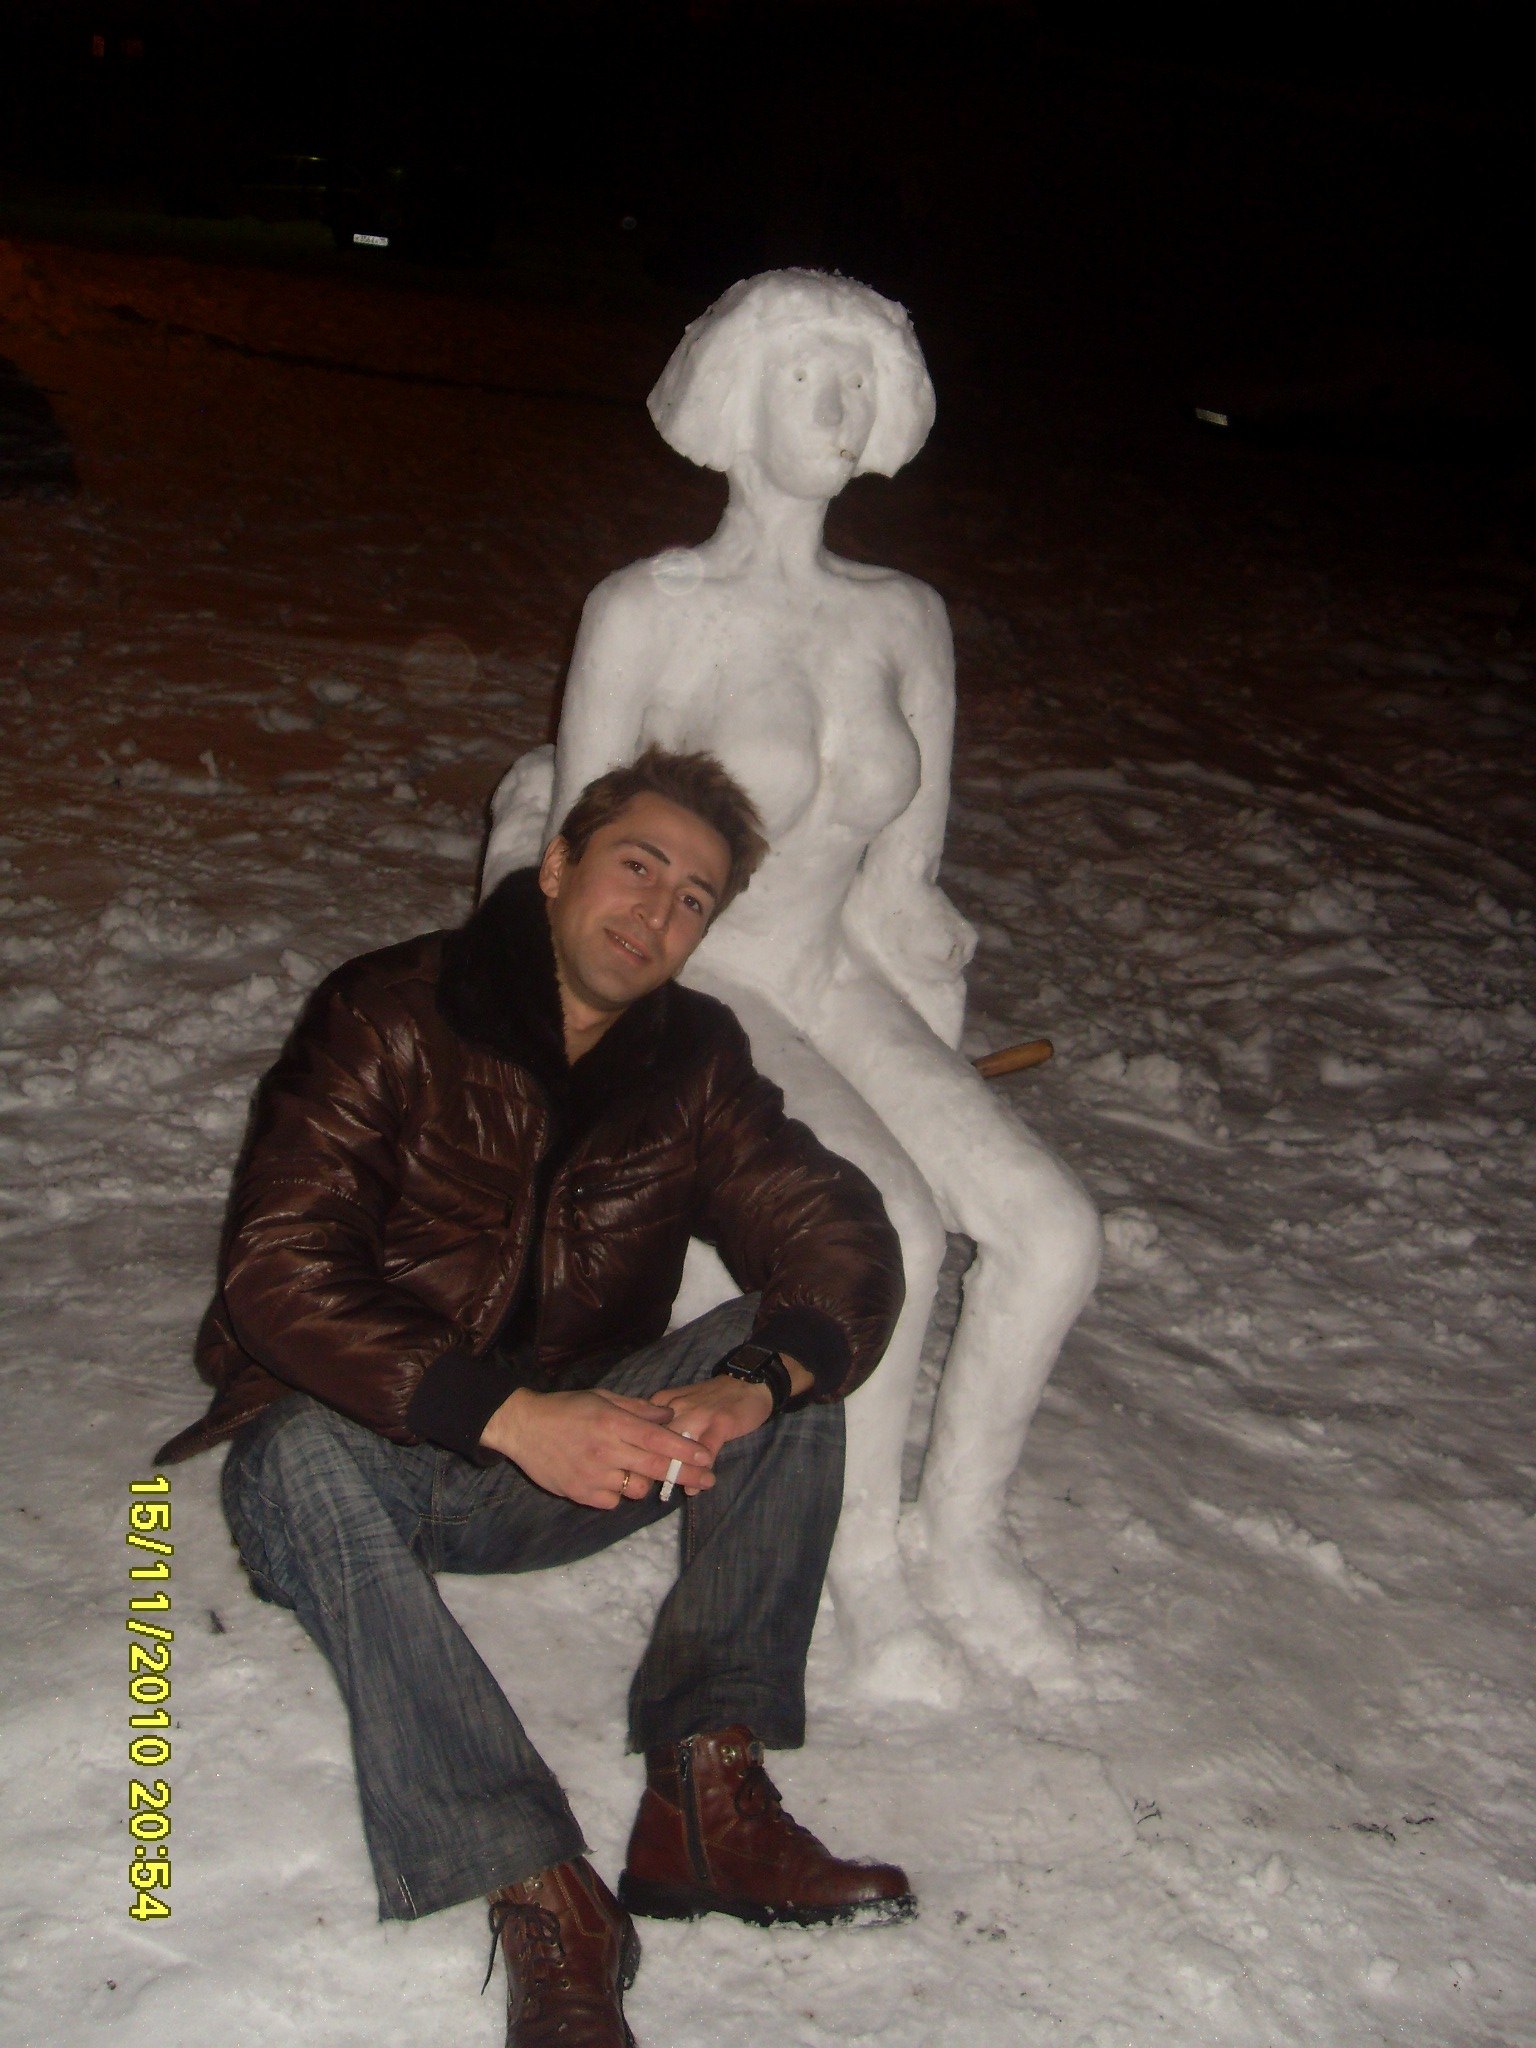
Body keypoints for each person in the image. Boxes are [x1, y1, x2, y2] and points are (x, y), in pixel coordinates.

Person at [154, 747, 912, 2048]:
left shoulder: (693, 1063)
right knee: (285, 1455)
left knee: (786, 1355)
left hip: (574, 1458)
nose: (656, 912)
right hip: (372, 1454)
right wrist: (505, 1416)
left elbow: (834, 1234)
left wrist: (756, 1380)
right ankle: (544, 1892)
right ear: (557, 866)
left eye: (692, 898)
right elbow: (279, 1270)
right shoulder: (393, 1012)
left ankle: (705, 1803)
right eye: (637, 867)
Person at [482, 270, 1102, 1696]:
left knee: (1055, 1231)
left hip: (835, 971)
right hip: (700, 979)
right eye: (810, 378)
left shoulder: (904, 618)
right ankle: (858, 1558)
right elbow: (576, 863)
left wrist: (924, 965)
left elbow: (902, 881)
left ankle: (962, 1535)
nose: (838, 408)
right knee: (897, 1228)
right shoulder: (645, 609)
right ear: (736, 396)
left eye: (860, 383)